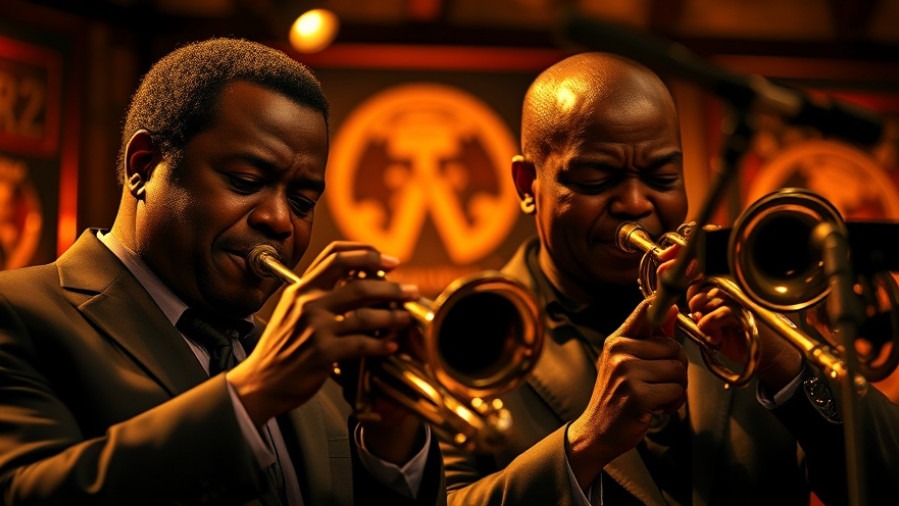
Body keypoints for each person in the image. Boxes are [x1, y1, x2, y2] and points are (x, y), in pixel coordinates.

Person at [439, 51, 899, 505]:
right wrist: (585, 443)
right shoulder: (459, 332)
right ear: (526, 185)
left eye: (661, 176)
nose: (636, 202)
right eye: (598, 177)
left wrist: (789, 369)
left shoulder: (748, 300)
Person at [0, 37, 446, 505]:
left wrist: (391, 439)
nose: (278, 220)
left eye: (302, 202)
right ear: (144, 165)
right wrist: (254, 392)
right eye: (245, 181)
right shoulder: (19, 312)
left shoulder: (309, 362)